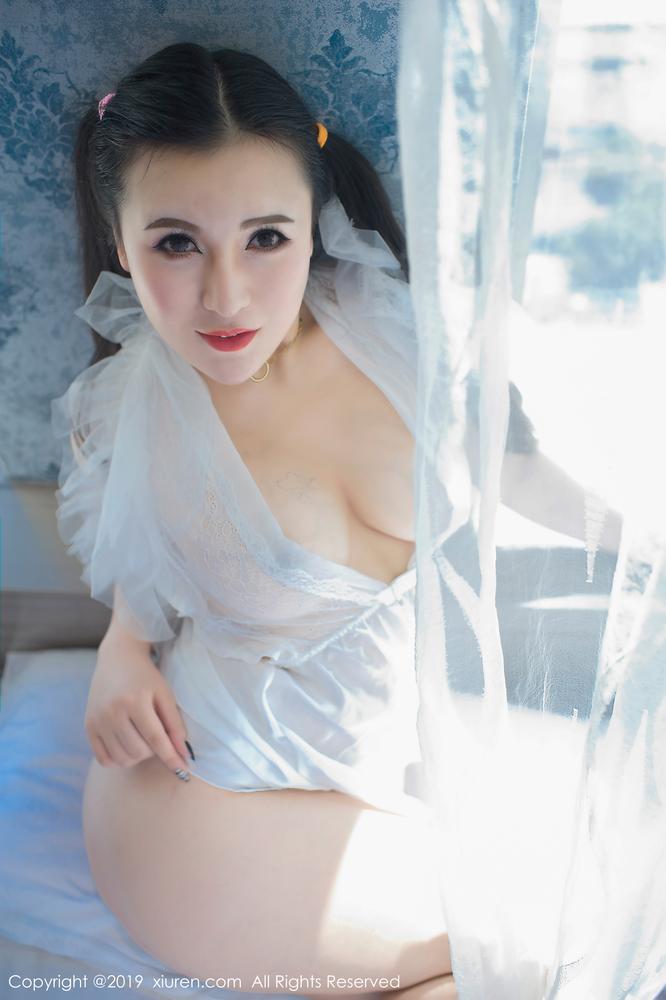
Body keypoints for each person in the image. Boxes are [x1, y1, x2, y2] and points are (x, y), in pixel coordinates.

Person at [51, 41, 620, 1000]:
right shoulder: (130, 418)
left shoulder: (394, 331)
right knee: (531, 951)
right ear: (119, 241)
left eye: (266, 238)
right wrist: (121, 653)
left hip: (376, 771)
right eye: (177, 243)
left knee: (575, 927)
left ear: (314, 226)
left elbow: (525, 470)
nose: (227, 296)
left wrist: (640, 532)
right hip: (209, 804)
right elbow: (143, 578)